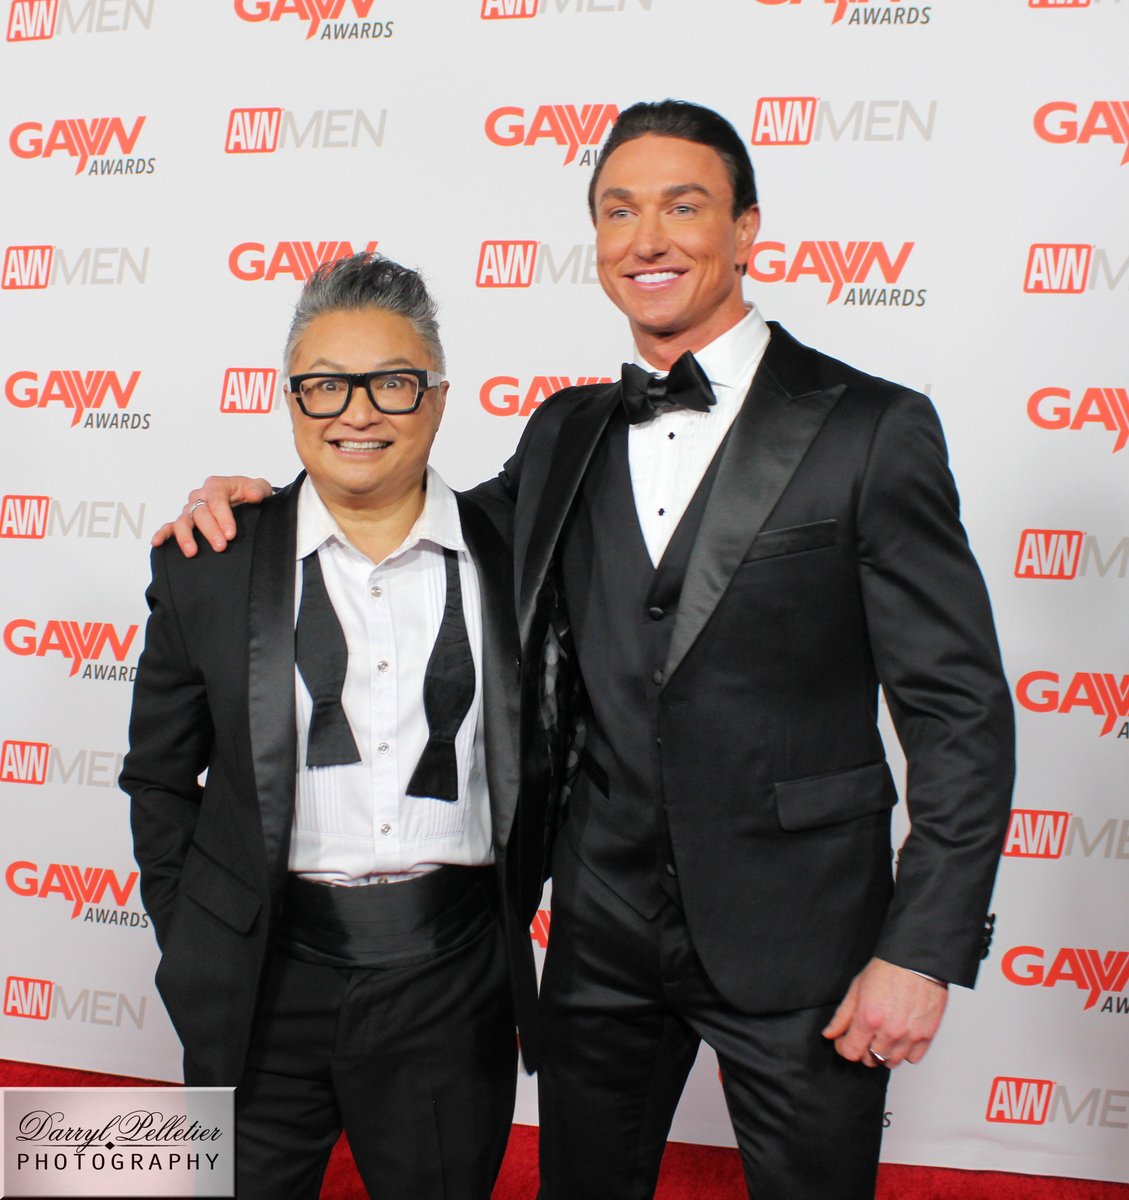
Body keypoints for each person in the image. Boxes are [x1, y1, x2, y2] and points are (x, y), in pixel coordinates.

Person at [158, 101, 1015, 1200]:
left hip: (806, 943)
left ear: (748, 230)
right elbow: (411, 515)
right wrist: (261, 516)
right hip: (598, 941)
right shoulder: (566, 429)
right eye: (618, 209)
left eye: (682, 205)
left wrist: (923, 948)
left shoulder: (869, 428)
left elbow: (961, 713)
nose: (645, 236)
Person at [121, 253, 545, 1200]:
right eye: (324, 387)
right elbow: (157, 779)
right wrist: (200, 936)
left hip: (451, 983)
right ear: (290, 401)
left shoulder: (521, 553)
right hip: (261, 982)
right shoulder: (210, 560)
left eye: (391, 384)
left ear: (437, 398)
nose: (356, 414)